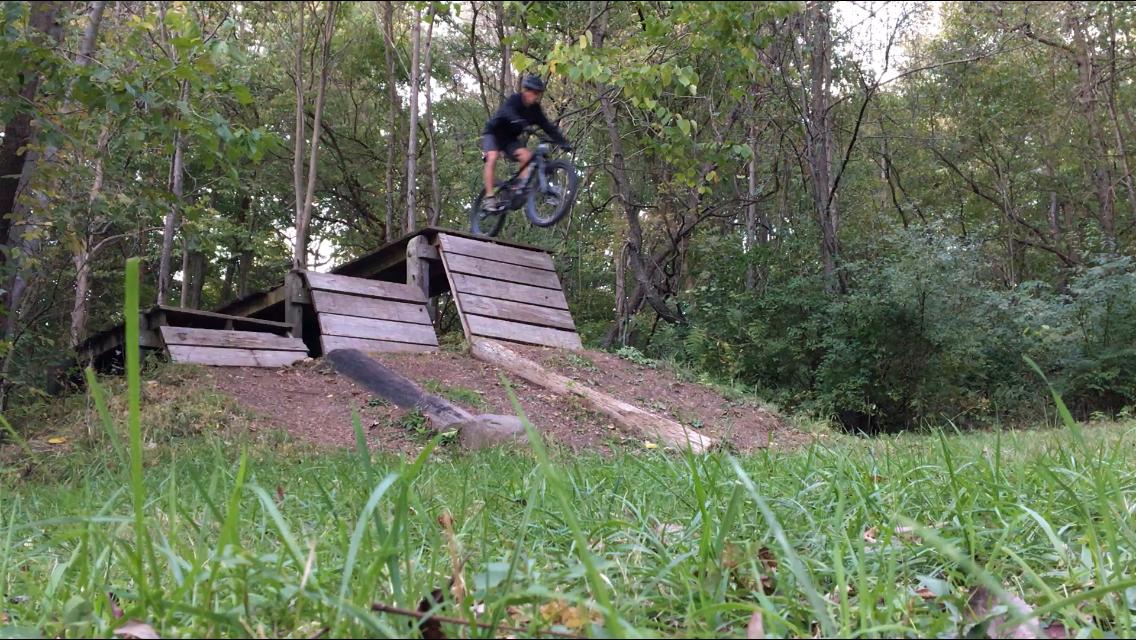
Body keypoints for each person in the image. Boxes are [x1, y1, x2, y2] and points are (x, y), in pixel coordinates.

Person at [481, 75, 572, 211]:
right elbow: (507, 111)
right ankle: (489, 198)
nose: (535, 97)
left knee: (527, 156)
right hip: (493, 133)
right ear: (526, 91)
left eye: (538, 94)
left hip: (509, 140)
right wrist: (519, 121)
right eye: (533, 93)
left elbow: (548, 127)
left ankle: (519, 189)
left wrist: (563, 142)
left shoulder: (535, 110)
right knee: (492, 157)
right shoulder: (515, 100)